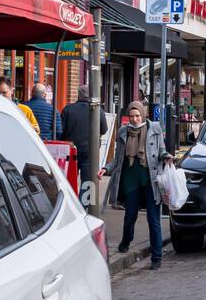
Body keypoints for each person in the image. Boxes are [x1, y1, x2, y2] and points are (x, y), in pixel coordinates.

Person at [99, 100, 169, 269]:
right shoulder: (123, 132)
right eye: (131, 116)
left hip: (150, 179)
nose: (135, 119)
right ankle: (125, 241)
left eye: (137, 116)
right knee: (130, 216)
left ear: (143, 114)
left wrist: (166, 156)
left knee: (154, 219)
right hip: (130, 180)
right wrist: (105, 168)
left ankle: (156, 257)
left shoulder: (155, 129)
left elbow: (161, 150)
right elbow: (118, 158)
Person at [61, 85, 109, 192]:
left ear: (78, 95)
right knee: (87, 182)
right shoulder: (97, 110)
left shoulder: (68, 109)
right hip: (90, 150)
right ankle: (83, 205)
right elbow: (104, 130)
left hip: (71, 150)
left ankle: (71, 204)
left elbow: (61, 131)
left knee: (69, 180)